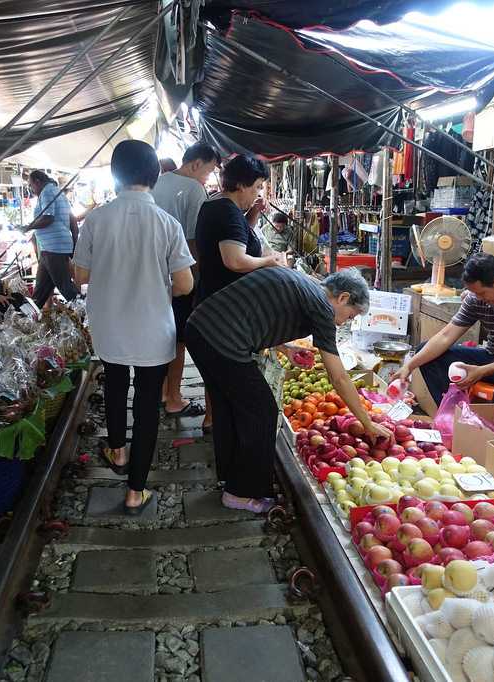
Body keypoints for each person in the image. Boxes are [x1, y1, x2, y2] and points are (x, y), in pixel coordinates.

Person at [186, 268, 391, 513]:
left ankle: (230, 478)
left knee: (229, 408)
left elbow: (262, 313)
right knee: (262, 411)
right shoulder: (322, 308)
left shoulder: (305, 284)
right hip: (223, 340)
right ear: (343, 298)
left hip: (200, 328)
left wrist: (286, 349)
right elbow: (338, 377)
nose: (346, 321)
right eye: (351, 315)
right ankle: (240, 492)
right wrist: (367, 423)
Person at [73, 140, 195, 515]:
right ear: (155, 176)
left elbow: (80, 276)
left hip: (110, 325)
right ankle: (135, 491)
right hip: (152, 328)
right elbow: (185, 285)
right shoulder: (167, 223)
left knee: (114, 385)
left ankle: (118, 450)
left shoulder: (96, 219)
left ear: (116, 175)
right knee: (145, 404)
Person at [394, 253, 494, 414]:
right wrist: (409, 365)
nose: (478, 298)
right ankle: (453, 415)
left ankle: (492, 429)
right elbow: (446, 336)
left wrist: (482, 371)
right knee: (428, 353)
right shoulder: (476, 298)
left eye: (482, 293)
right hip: (493, 355)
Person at [194, 154, 283, 432]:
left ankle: (215, 420)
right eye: (257, 186)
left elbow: (238, 239)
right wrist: (270, 261)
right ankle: (222, 426)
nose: (257, 192)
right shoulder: (228, 212)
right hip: (225, 310)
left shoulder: (215, 203)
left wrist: (253, 214)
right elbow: (234, 260)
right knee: (226, 372)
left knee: (215, 372)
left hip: (211, 300)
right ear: (241, 184)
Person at [150, 141, 220, 419]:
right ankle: (174, 398)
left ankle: (161, 391)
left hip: (153, 275)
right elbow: (193, 241)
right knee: (178, 338)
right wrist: (197, 277)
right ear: (195, 164)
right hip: (179, 275)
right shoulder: (194, 189)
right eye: (208, 171)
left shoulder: (156, 182)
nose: (207, 177)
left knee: (161, 336)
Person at [25, 170, 78, 306]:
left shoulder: (47, 192)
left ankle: (88, 313)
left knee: (66, 288)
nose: (31, 189)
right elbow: (72, 221)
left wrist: (28, 227)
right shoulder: (57, 192)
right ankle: (30, 319)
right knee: (40, 292)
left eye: (31, 185)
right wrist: (73, 243)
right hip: (51, 248)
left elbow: (48, 218)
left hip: (54, 247)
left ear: (38, 181)